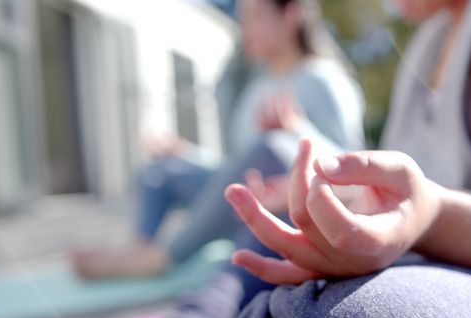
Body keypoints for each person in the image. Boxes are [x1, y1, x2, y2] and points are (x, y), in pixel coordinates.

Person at [214, 0, 471, 318]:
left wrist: (436, 220)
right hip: (436, 271)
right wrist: (329, 194)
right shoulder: (427, 46)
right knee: (277, 233)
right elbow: (409, 193)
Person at [70, 0, 365, 279]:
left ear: (290, 15)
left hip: (286, 207)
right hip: (245, 197)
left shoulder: (325, 80)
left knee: (270, 147)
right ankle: (139, 246)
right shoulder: (256, 88)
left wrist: (297, 129)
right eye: (242, 17)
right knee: (162, 170)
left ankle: (163, 256)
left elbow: (351, 171)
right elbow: (236, 165)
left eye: (255, 15)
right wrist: (187, 153)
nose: (245, 27)